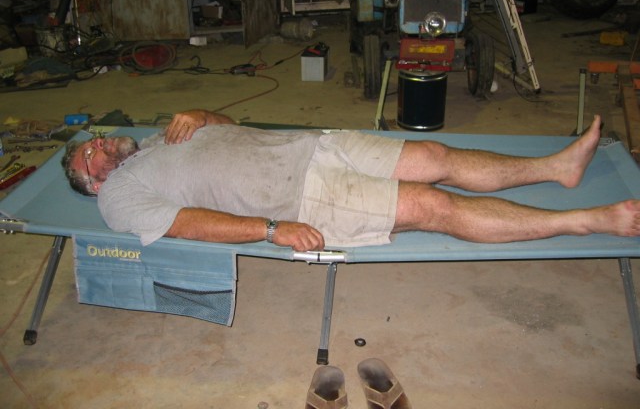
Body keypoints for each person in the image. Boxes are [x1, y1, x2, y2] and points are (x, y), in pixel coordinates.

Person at [61, 109, 640, 251]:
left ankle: (557, 168)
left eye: (96, 139)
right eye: (89, 153)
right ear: (93, 182)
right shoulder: (120, 198)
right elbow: (185, 224)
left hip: (317, 145)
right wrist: (271, 229)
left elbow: (235, 128)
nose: (101, 144)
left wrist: (203, 115)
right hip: (303, 195)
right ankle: (587, 220)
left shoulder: (157, 141)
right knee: (432, 205)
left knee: (434, 154)